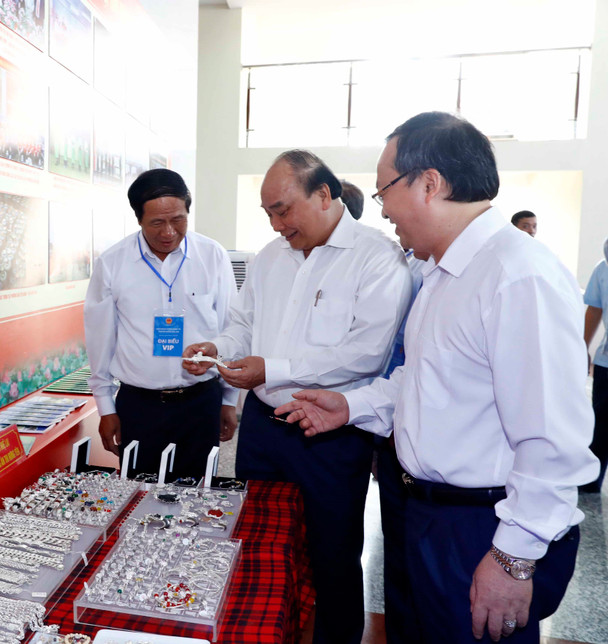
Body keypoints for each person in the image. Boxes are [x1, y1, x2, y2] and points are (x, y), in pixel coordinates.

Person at [277, 112, 598, 643]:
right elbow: (422, 382)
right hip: (428, 515)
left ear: (429, 183)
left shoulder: (517, 275)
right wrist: (351, 407)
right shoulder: (443, 273)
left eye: (384, 192)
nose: (383, 212)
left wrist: (513, 557)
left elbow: (554, 440)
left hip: (484, 528)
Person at [182, 150, 411, 644]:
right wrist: (218, 348)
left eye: (283, 209)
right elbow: (243, 325)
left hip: (329, 432)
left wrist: (275, 368)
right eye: (267, 212)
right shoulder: (270, 259)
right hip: (264, 428)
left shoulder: (377, 258)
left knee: (333, 551)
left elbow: (366, 354)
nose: (275, 224)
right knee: (257, 540)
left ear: (324, 195)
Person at [85, 169, 238, 479]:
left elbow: (230, 327)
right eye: (157, 223)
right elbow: (101, 340)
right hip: (139, 407)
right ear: (138, 219)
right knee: (137, 497)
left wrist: (229, 400)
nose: (169, 232)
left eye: (178, 220)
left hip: (201, 403)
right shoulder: (113, 263)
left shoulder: (212, 256)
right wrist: (105, 407)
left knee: (197, 494)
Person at [582, 237, 608, 494]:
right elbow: (595, 308)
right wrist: (583, 346)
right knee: (601, 424)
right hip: (606, 362)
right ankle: (591, 481)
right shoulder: (602, 268)